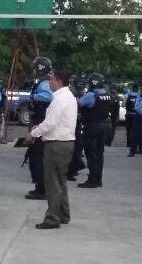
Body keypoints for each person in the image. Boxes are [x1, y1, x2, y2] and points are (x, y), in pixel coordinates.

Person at [27, 67, 78, 229]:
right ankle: (63, 214)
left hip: (56, 144)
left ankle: (52, 217)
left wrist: (34, 133)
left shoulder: (59, 99)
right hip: (66, 142)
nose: (49, 82)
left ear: (59, 81)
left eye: (52, 79)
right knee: (60, 181)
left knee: (53, 182)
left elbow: (50, 123)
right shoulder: (69, 96)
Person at [77, 73, 116, 188]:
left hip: (91, 126)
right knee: (99, 154)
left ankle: (92, 180)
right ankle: (98, 179)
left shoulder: (91, 95)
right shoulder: (107, 95)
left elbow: (78, 104)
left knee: (91, 154)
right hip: (104, 126)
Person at [25, 58, 55, 200]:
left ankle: (41, 189)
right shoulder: (45, 81)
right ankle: (40, 187)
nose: (33, 70)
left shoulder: (44, 83)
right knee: (38, 156)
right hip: (41, 122)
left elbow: (50, 96)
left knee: (37, 157)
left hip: (40, 123)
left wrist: (33, 96)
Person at [124, 84, 140, 156]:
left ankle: (129, 144)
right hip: (136, 115)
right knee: (135, 131)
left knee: (128, 130)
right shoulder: (139, 96)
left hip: (129, 114)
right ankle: (136, 146)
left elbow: (123, 104)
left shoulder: (127, 95)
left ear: (132, 89)